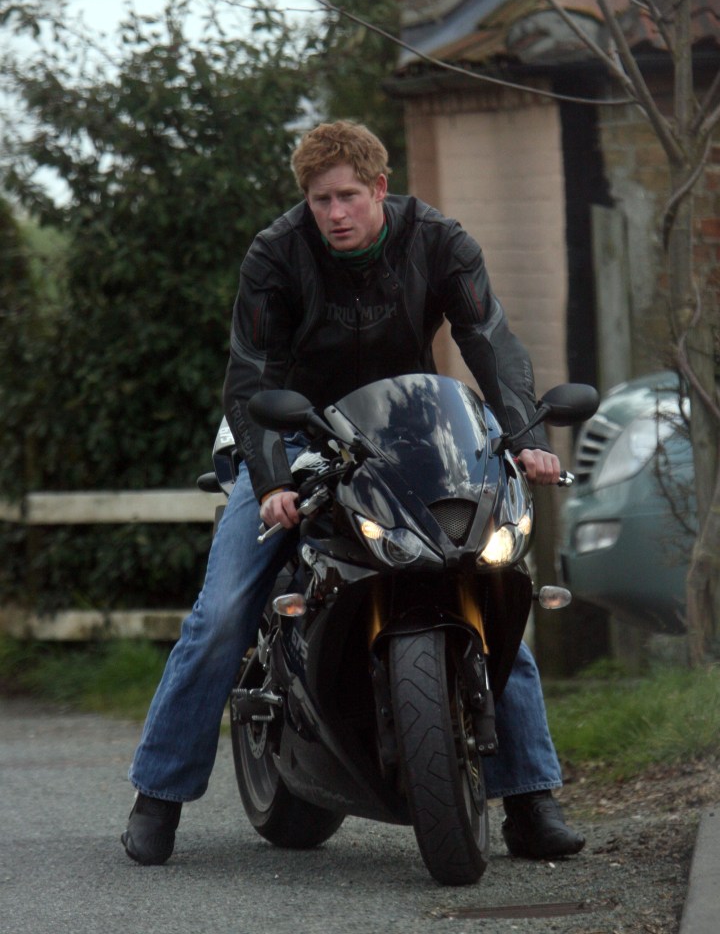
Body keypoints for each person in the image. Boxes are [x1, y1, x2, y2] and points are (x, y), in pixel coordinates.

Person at [122, 121, 585, 866]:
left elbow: (489, 341)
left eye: (346, 197)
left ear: (379, 188)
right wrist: (271, 477)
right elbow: (252, 377)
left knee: (482, 575)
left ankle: (530, 800)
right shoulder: (276, 255)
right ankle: (159, 798)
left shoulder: (439, 241)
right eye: (318, 200)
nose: (333, 213)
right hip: (290, 429)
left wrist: (524, 433)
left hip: (399, 429)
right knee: (224, 612)